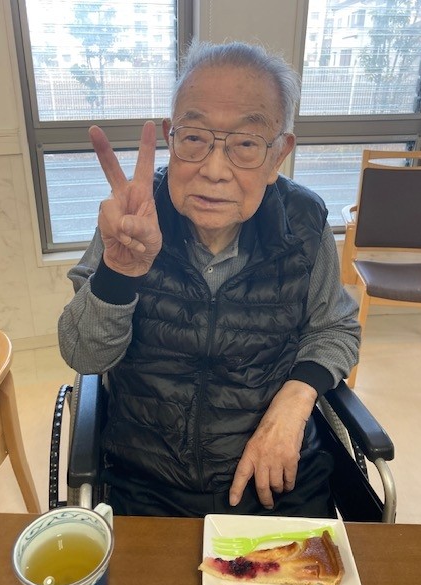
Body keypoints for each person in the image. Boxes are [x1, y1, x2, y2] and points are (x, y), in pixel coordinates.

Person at [58, 40, 360, 518]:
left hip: (275, 478)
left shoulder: (304, 221)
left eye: (246, 144)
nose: (214, 171)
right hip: (147, 482)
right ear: (170, 137)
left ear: (278, 155)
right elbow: (84, 355)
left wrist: (296, 399)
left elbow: (335, 328)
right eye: (195, 138)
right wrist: (119, 272)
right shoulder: (135, 215)